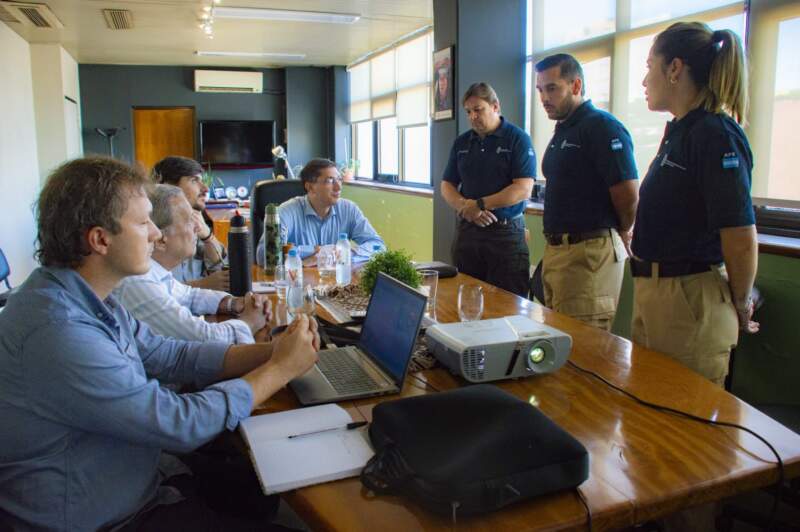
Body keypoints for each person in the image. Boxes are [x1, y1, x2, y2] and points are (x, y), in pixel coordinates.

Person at [0, 156, 319, 531]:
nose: (156, 233)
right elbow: (178, 423)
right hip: (108, 518)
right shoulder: (58, 331)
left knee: (260, 484)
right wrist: (279, 369)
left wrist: (272, 352)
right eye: (142, 222)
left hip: (138, 474)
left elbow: (169, 355)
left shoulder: (83, 294)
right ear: (100, 239)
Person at [633, 22, 759, 387]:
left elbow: (740, 234)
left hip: (689, 299)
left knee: (682, 429)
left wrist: (738, 303)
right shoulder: (681, 132)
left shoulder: (715, 134)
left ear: (674, 68)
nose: (643, 81)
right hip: (654, 293)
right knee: (650, 418)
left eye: (648, 66)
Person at [534, 54, 639, 331]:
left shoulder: (601, 126)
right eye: (540, 90)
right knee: (556, 346)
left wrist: (623, 229)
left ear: (576, 86)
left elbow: (628, 196)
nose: (544, 97)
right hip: (559, 254)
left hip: (589, 254)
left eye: (552, 88)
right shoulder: (565, 129)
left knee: (583, 354)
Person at [114, 184, 268, 344]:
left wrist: (233, 303)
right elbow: (205, 338)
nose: (197, 227)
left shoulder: (153, 270)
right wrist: (249, 322)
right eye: (189, 221)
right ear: (160, 239)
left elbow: (189, 295)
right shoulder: (137, 280)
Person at [441, 82, 536, 297]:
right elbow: (447, 185)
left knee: (509, 304)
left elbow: (523, 188)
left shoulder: (518, 139)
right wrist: (465, 208)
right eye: (468, 112)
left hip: (505, 234)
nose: (473, 116)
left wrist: (480, 205)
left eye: (478, 110)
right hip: (468, 233)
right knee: (465, 300)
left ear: (495, 106)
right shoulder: (462, 143)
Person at [256, 158, 385, 266]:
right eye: (330, 180)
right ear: (310, 187)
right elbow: (264, 255)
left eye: (339, 179)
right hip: (298, 284)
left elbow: (378, 246)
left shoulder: (349, 209)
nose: (338, 187)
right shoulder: (287, 211)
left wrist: (344, 253)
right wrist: (315, 251)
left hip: (336, 285)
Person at [152, 156, 228, 291]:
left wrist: (208, 237)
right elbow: (149, 291)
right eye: (194, 181)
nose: (205, 188)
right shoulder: (153, 229)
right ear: (168, 186)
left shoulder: (197, 222)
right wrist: (201, 285)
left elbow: (221, 271)